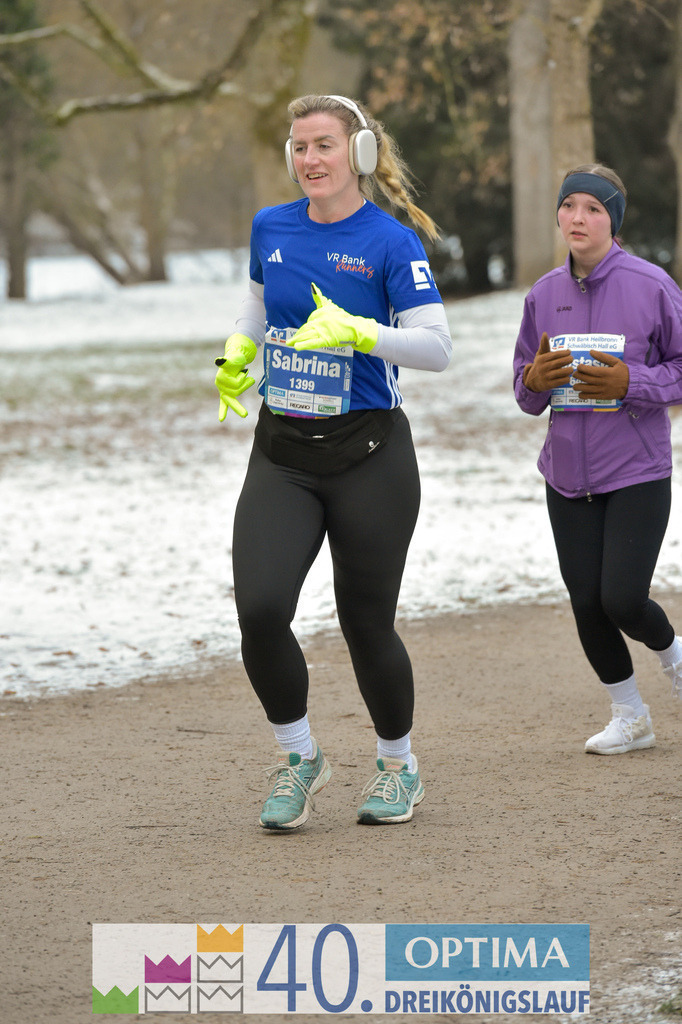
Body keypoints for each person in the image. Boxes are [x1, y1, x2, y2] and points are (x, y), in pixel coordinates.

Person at [214, 94, 452, 828]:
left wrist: (360, 331)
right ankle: (299, 757)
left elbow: (437, 348)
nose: (309, 159)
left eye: (323, 145)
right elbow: (255, 311)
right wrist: (237, 356)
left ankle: (397, 767)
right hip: (283, 450)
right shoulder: (271, 227)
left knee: (366, 623)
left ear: (358, 155)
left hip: (369, 455)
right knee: (259, 610)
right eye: (299, 146)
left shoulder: (389, 241)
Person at [513, 163, 682, 755]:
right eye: (569, 206)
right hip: (565, 476)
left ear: (613, 219)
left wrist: (631, 382)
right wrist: (533, 378)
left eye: (593, 208)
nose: (578, 218)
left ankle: (675, 657)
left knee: (621, 598)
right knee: (586, 601)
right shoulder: (544, 295)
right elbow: (524, 390)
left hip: (636, 470)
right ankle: (631, 717)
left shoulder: (652, 285)